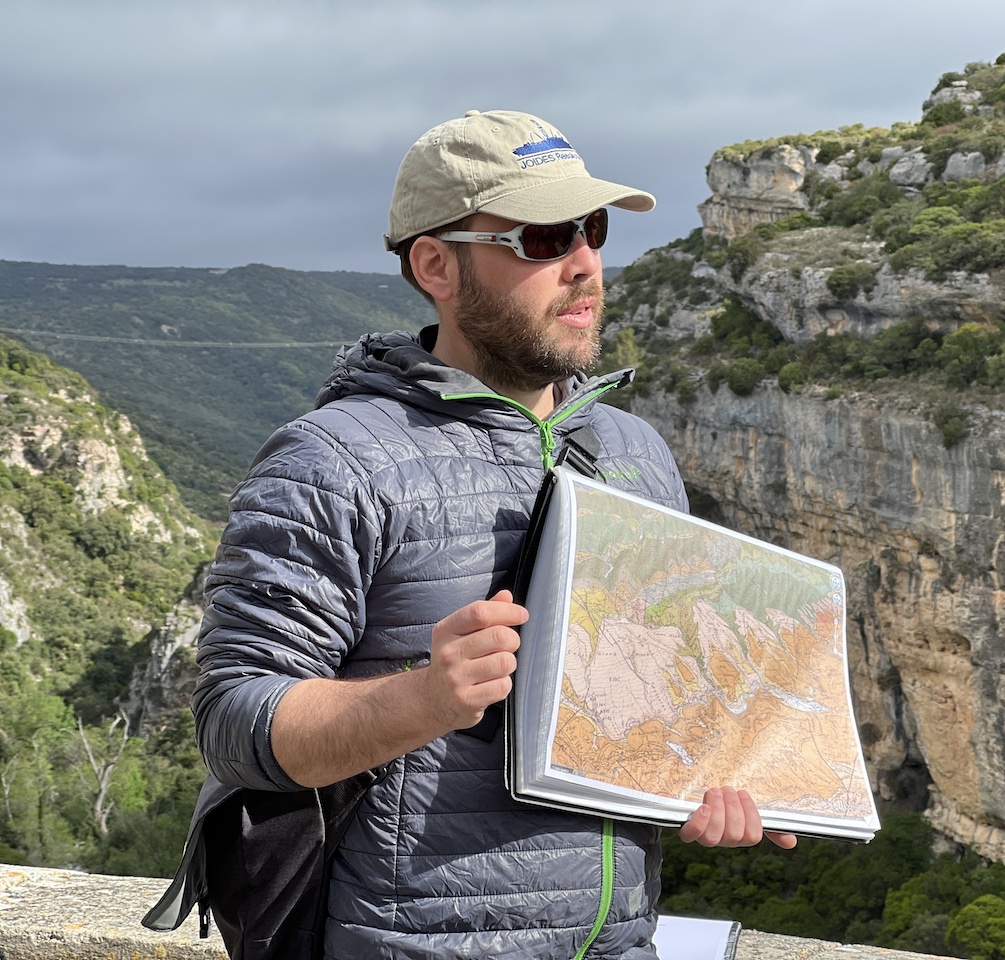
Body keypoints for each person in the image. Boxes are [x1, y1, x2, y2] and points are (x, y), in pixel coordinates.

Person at [192, 108, 795, 960]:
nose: (586, 264)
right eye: (545, 237)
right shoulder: (332, 461)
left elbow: (659, 696)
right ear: (436, 264)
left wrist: (715, 773)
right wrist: (423, 698)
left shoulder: (635, 452)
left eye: (592, 229)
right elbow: (233, 719)